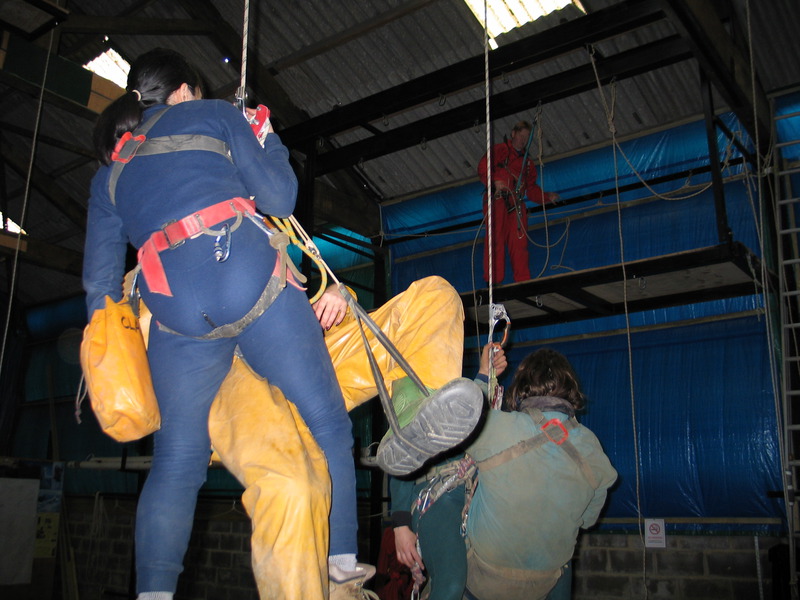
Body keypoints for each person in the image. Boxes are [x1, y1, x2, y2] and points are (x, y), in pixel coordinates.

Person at [83, 48, 369, 600]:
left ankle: (154, 592)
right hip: (247, 280)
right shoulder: (213, 114)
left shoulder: (109, 177)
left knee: (177, 460)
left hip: (177, 318)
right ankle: (340, 560)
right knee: (328, 422)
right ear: (185, 90)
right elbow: (280, 196)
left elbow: (99, 290)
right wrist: (266, 136)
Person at [134, 274, 480, 599]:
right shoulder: (164, 256)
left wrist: (339, 294)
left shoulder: (261, 229)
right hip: (239, 383)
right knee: (295, 488)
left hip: (306, 359)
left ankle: (412, 410)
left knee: (435, 295)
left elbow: (296, 301)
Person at [463, 348, 618, 600]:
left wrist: (484, 374)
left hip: (482, 580)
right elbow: (587, 520)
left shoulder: (499, 428)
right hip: (544, 584)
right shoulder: (591, 447)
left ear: (521, 386)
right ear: (570, 388)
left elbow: (460, 419)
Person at [389, 344, 507, 600]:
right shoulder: (406, 381)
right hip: (436, 495)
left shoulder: (448, 378)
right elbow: (399, 453)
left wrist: (488, 374)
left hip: (472, 488)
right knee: (452, 585)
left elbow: (466, 418)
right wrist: (400, 525)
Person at [477, 121, 560, 284]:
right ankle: (493, 283)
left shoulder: (527, 163)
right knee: (496, 241)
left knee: (519, 244)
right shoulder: (501, 150)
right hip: (498, 199)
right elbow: (483, 168)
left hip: (516, 205)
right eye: (521, 135)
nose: (523, 140)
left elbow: (531, 188)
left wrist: (546, 197)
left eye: (526, 137)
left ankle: (523, 282)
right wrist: (494, 182)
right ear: (513, 133)